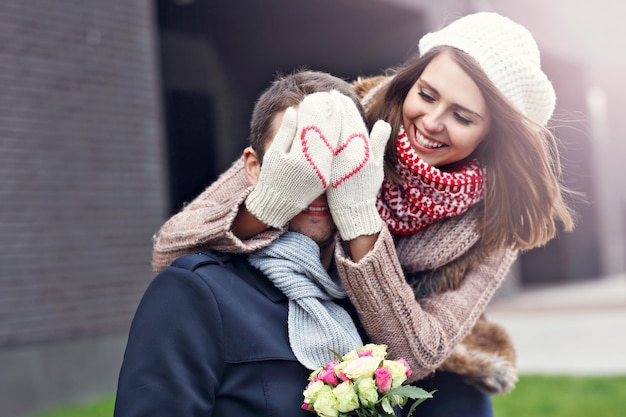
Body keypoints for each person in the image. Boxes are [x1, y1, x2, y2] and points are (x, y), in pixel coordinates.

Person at [150, 12, 575, 417]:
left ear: (493, 135)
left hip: (425, 367)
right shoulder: (339, 116)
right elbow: (172, 247)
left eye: (462, 117)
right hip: (305, 331)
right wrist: (269, 204)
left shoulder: (499, 216)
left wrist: (358, 221)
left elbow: (418, 353)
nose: (431, 121)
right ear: (412, 81)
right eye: (426, 95)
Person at [114, 76, 393, 416]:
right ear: (253, 168)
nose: (317, 180)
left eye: (336, 158)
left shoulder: (370, 308)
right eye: (297, 158)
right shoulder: (194, 293)